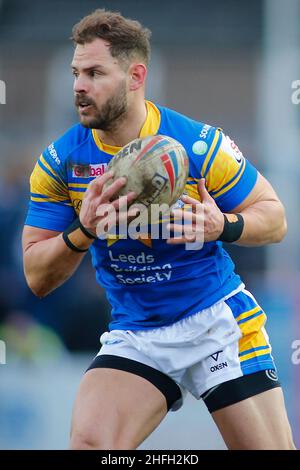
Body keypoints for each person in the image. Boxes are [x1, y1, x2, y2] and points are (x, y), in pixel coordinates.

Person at [22, 9, 295, 450]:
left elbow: (275, 218)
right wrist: (83, 231)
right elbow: (36, 277)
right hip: (139, 332)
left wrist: (221, 224)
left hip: (216, 322)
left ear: (135, 75)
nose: (79, 86)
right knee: (91, 446)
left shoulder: (197, 145)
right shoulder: (60, 162)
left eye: (94, 73)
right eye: (76, 73)